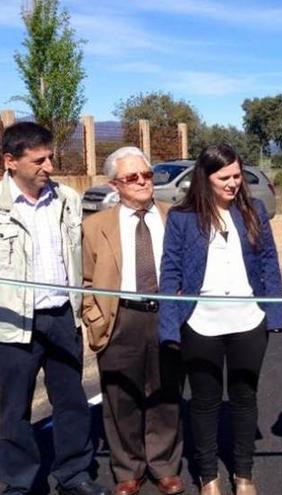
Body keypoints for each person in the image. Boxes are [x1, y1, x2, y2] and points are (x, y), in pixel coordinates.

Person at [0, 122, 108, 495]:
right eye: (39, 160)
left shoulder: (68, 199)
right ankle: (20, 483)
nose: (49, 166)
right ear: (10, 161)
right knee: (14, 408)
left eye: (51, 157)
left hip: (60, 318)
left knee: (72, 401)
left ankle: (74, 476)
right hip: (10, 324)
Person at [159, 144, 282, 495]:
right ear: (205, 178)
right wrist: (170, 326)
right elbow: (169, 273)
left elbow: (268, 264)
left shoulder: (254, 210)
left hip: (248, 321)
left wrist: (272, 313)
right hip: (201, 325)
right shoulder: (182, 218)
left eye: (237, 176)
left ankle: (244, 473)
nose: (233, 183)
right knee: (204, 402)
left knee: (245, 398)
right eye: (224, 178)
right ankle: (208, 475)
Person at [81, 147, 184, 495]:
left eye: (147, 175)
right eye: (132, 177)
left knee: (166, 393)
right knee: (120, 398)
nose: (142, 182)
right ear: (115, 184)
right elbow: (84, 279)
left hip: (166, 316)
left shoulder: (175, 217)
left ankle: (165, 466)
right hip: (120, 317)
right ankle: (128, 469)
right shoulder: (96, 226)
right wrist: (93, 317)